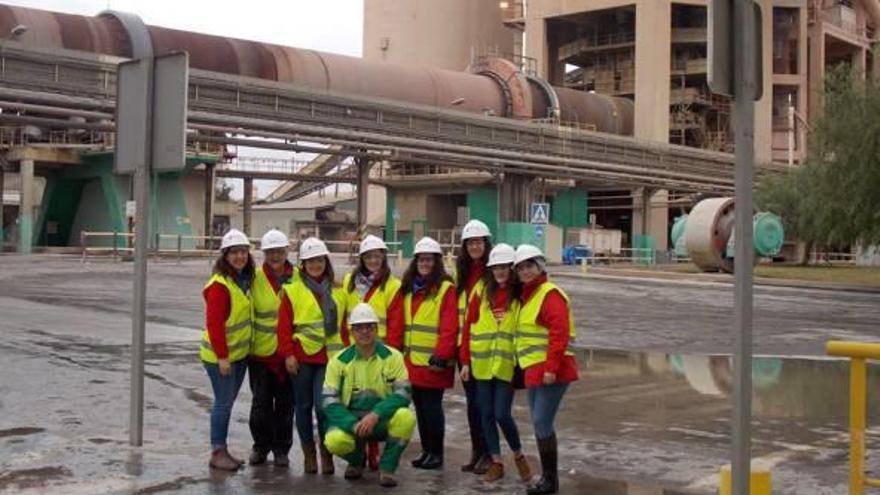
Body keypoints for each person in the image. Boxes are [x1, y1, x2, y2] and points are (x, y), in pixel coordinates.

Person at [459, 243, 532, 483]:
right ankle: (496, 462)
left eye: (504, 267)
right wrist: (465, 362)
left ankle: (519, 455)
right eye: (496, 267)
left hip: (505, 367)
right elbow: (469, 328)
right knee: (486, 415)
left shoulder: (519, 295)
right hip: (481, 367)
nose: (500, 271)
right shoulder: (481, 293)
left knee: (502, 414)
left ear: (511, 269)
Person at [323, 303, 416, 488]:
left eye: (369, 327)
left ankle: (387, 468)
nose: (364, 332)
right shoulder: (338, 361)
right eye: (359, 328)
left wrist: (376, 414)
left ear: (376, 329)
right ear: (352, 331)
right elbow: (329, 402)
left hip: (380, 420)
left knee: (406, 418)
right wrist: (352, 424)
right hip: (352, 421)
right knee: (334, 440)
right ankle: (357, 461)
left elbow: (403, 394)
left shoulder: (393, 357)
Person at [276, 236, 347, 475]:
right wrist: (287, 355)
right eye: (310, 261)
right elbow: (284, 326)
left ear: (326, 261)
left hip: (329, 360)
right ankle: (309, 455)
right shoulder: (291, 290)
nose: (316, 264)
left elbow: (346, 326)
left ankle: (326, 452)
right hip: (302, 357)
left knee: (323, 406)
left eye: (319, 260)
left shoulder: (339, 291)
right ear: (302, 264)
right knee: (303, 407)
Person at [513, 244, 579, 495]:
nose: (525, 271)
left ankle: (550, 481)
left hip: (553, 371)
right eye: (521, 268)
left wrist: (551, 368)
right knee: (539, 422)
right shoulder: (527, 296)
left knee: (542, 422)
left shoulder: (549, 294)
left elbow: (559, 334)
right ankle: (548, 478)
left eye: (529, 266)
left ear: (539, 267)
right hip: (534, 370)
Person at [341, 234, 405, 470]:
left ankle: (375, 451)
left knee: (378, 402)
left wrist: (393, 354)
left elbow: (397, 323)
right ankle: (356, 455)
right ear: (362, 258)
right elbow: (344, 316)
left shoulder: (392, 285)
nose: (373, 260)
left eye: (377, 256)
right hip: (353, 351)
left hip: (381, 354)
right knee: (354, 403)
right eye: (368, 256)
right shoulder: (350, 281)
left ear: (383, 258)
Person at [402, 236, 458, 470]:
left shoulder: (445, 289)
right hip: (412, 362)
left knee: (432, 409)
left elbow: (449, 325)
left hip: (434, 362)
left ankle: (436, 454)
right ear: (415, 262)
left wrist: (442, 356)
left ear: (437, 262)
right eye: (421, 259)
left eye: (429, 259)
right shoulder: (408, 288)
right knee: (421, 410)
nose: (425, 263)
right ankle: (427, 451)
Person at [201, 228, 254, 471]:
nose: (239, 257)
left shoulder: (243, 280)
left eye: (243, 252)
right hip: (220, 357)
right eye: (234, 253)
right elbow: (215, 325)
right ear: (225, 256)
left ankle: (222, 449)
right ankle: (217, 451)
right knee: (223, 403)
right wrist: (223, 357)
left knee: (227, 402)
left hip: (239, 356)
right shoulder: (220, 286)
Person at [247, 229, 295, 467]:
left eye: (279, 251)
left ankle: (281, 450)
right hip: (260, 355)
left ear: (287, 251)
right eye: (271, 252)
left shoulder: (298, 278)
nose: (275, 256)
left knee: (286, 406)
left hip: (289, 356)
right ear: (264, 253)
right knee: (260, 405)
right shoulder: (254, 278)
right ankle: (260, 446)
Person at [455, 219, 492, 473]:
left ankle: (490, 454)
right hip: (464, 350)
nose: (475, 246)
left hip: (485, 350)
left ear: (486, 244)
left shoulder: (494, 272)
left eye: (478, 242)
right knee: (472, 405)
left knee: (484, 405)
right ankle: (477, 451)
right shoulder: (464, 273)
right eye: (470, 242)